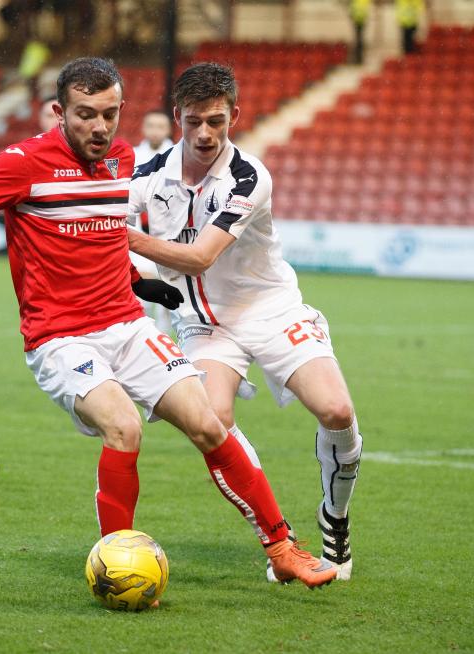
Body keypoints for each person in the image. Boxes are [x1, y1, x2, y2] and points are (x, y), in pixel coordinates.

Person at [0, 57, 336, 588]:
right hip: (58, 337)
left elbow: (98, 234)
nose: (99, 128)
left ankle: (282, 547)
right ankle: (115, 569)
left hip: (127, 325)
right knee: (123, 427)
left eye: (109, 114)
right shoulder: (21, 163)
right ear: (59, 111)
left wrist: (135, 280)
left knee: (208, 424)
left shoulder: (122, 160)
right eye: (85, 115)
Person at [127, 63, 362, 581]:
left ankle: (335, 519)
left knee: (337, 410)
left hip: (270, 308)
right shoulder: (147, 175)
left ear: (235, 114)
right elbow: (105, 226)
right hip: (204, 323)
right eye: (194, 122)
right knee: (211, 419)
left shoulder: (248, 177)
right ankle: (280, 537)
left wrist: (125, 241)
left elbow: (201, 256)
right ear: (177, 118)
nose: (205, 133)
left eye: (216, 120)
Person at [131, 110, 175, 334]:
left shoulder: (179, 156)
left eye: (160, 126)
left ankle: (165, 342)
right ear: (143, 128)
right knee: (143, 296)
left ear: (168, 129)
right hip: (138, 236)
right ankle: (144, 340)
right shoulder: (132, 157)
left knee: (170, 300)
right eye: (151, 125)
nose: (155, 130)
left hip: (171, 237)